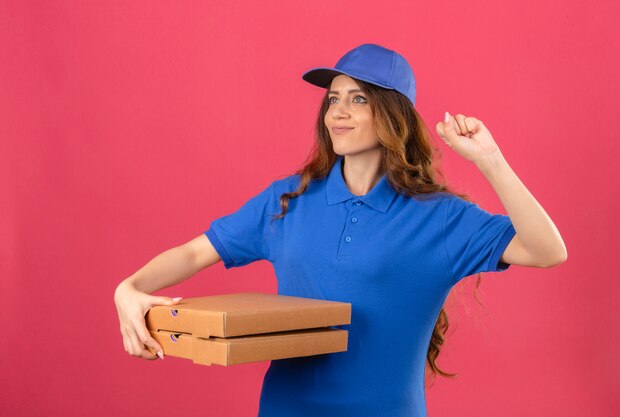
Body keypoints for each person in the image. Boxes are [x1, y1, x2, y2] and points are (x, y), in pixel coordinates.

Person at [114, 43, 567, 417]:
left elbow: (547, 250)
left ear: (394, 115)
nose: (338, 112)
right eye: (333, 99)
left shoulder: (440, 217)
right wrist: (129, 288)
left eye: (358, 99)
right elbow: (197, 252)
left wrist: (489, 159)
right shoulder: (289, 199)